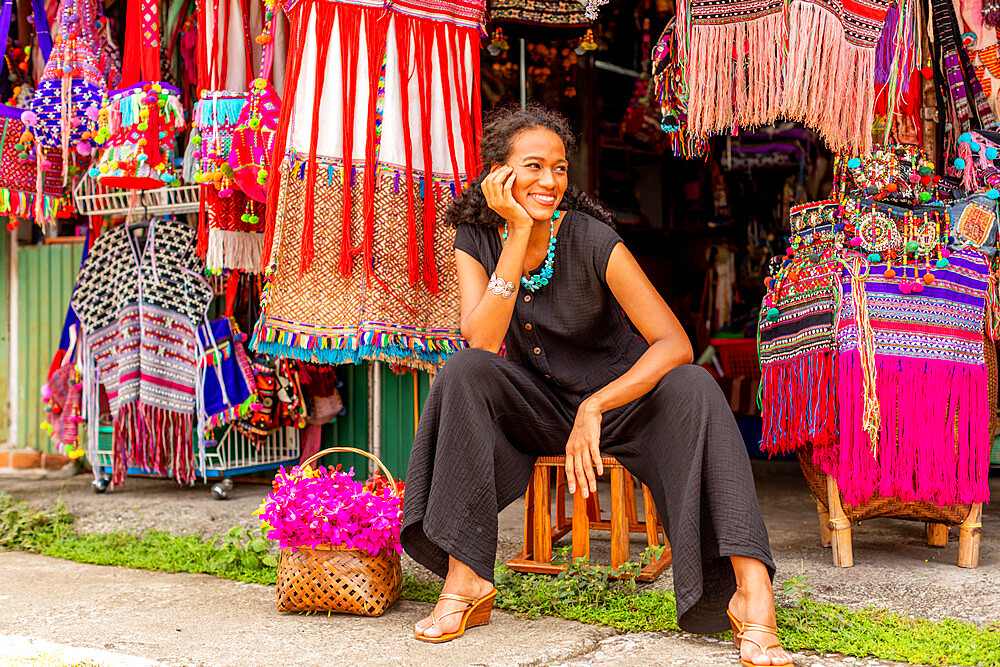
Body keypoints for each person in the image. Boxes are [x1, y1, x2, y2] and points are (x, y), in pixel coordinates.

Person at [401, 104, 791, 666]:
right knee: (463, 373)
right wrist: (516, 232)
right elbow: (481, 341)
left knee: (696, 388)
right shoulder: (476, 237)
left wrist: (597, 404)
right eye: (533, 167)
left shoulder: (592, 238)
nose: (550, 181)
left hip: (622, 403)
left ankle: (752, 596)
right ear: (498, 174)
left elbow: (673, 342)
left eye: (559, 168)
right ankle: (466, 581)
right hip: (535, 405)